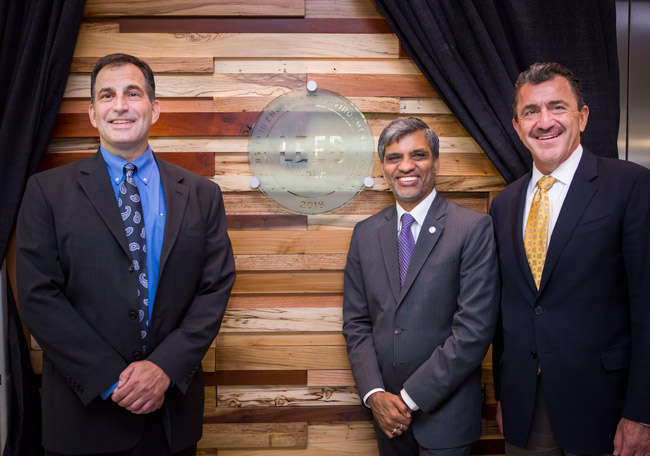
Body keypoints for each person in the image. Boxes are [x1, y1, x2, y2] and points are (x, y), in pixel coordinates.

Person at [16, 53, 236, 456]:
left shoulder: (202, 194)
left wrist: (165, 367)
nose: (120, 105)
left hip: (169, 419)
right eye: (107, 95)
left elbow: (214, 288)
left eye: (133, 94)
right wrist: (111, 379)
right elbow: (38, 296)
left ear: (154, 109)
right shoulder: (46, 191)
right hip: (83, 420)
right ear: (92, 113)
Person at [490, 62, 650, 456]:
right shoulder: (504, 204)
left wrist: (642, 413)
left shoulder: (630, 185)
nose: (544, 121)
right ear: (517, 126)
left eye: (557, 107)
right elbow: (506, 309)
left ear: (583, 116)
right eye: (531, 111)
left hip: (607, 406)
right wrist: (504, 393)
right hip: (526, 405)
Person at [342, 117, 499, 456]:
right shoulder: (365, 234)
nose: (406, 166)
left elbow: (474, 330)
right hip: (386, 418)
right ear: (383, 168)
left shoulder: (472, 228)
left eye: (418, 155)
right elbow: (357, 324)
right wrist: (375, 395)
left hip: (447, 418)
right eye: (394, 158)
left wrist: (408, 398)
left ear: (436, 163)